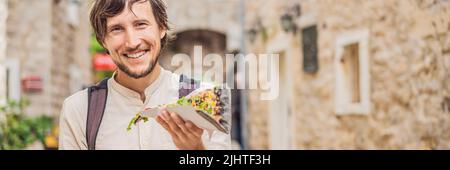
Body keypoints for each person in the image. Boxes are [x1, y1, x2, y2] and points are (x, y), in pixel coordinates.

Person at [58, 0, 231, 150]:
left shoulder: (208, 98)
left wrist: (196, 150)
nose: (132, 42)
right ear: (103, 40)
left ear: (162, 27)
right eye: (117, 29)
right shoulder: (79, 109)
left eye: (141, 24)